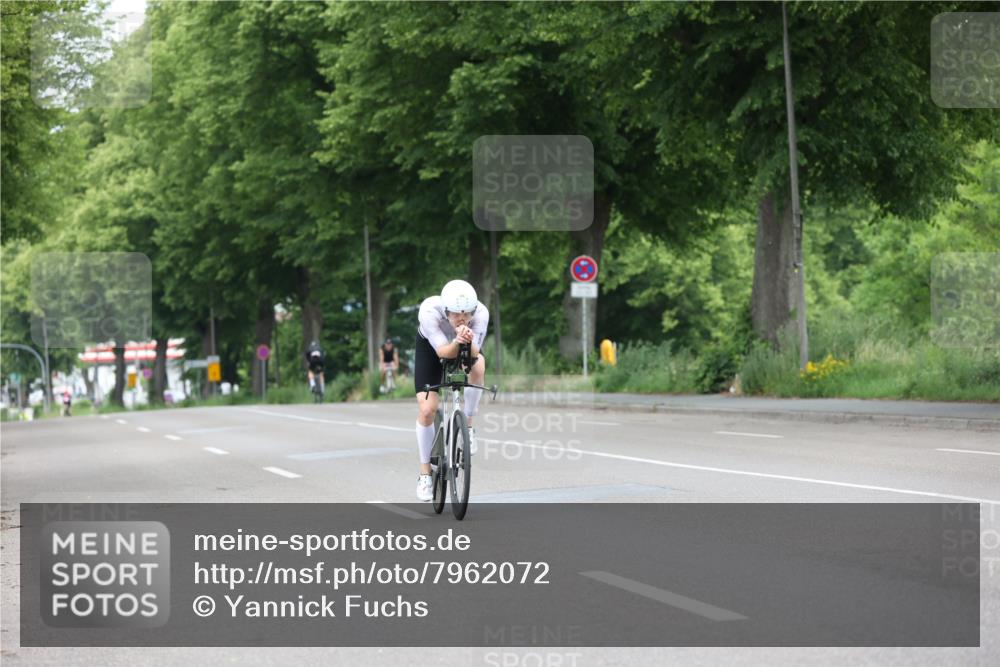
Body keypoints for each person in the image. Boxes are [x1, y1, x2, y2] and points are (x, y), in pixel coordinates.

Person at [413, 279, 489, 501]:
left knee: (479, 367)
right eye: (456, 314)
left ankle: (469, 424)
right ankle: (425, 473)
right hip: (433, 348)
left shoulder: (481, 313)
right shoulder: (429, 311)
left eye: (467, 314)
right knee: (428, 409)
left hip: (463, 344)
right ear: (446, 310)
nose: (462, 318)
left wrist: (467, 339)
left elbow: (475, 352)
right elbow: (443, 353)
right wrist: (457, 340)